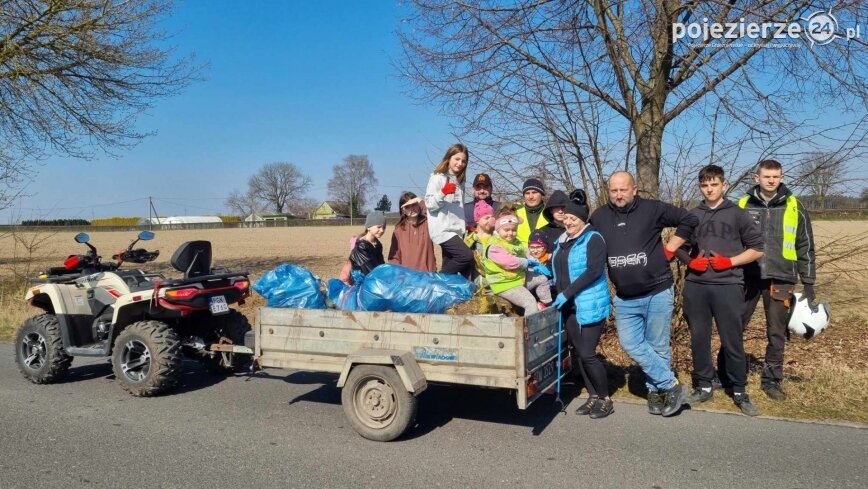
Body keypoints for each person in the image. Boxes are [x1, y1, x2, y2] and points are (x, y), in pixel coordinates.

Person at [589, 171, 698, 417]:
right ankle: (671, 385)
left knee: (658, 346)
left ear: (634, 189)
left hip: (657, 290)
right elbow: (585, 240)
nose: (618, 195)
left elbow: (689, 218)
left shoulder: (652, 209)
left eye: (623, 189)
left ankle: (655, 392)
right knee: (631, 343)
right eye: (614, 190)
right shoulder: (599, 216)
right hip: (625, 297)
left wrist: (670, 248)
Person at [679, 165, 764, 416]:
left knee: (732, 339)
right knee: (699, 338)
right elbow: (678, 246)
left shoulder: (738, 214)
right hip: (697, 286)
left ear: (724, 185)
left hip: (728, 285)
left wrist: (730, 262)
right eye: (705, 185)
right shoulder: (693, 215)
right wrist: (689, 262)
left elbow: (757, 249)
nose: (709, 189)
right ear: (700, 187)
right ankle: (704, 385)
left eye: (714, 184)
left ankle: (739, 390)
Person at [736, 159, 816, 401]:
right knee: (734, 327)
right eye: (766, 176)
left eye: (775, 176)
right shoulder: (742, 204)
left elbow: (806, 245)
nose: (771, 180)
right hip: (747, 277)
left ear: (781, 178)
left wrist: (808, 281)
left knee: (776, 332)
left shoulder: (794, 205)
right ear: (756, 178)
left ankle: (771, 380)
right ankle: (730, 374)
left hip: (781, 277)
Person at [550, 196, 612, 418]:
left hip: (589, 303)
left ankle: (605, 399)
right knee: (579, 353)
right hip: (569, 306)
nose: (568, 222)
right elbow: (559, 269)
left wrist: (567, 292)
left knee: (587, 353)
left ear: (583, 219)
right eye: (566, 217)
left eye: (573, 218)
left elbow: (594, 271)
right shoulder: (561, 241)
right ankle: (592, 396)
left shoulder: (593, 238)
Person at [425, 143, 475, 278]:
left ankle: (447, 288)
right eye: (457, 159)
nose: (460, 163)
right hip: (443, 230)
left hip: (457, 230)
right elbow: (429, 204)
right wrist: (443, 193)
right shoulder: (437, 177)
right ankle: (437, 279)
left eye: (463, 161)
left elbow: (458, 207)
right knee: (466, 256)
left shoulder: (460, 182)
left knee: (453, 266)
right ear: (448, 158)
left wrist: (465, 223)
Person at [482, 214, 549, 315]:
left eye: (514, 230)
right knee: (530, 302)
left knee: (542, 278)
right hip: (504, 284)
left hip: (518, 278)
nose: (510, 233)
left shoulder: (514, 241)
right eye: (506, 230)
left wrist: (534, 260)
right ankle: (530, 324)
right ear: (498, 230)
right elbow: (509, 262)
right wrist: (527, 262)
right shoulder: (494, 246)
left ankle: (546, 304)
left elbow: (523, 251)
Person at [388, 191, 436, 272]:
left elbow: (435, 215)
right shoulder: (399, 230)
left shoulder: (428, 223)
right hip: (408, 277)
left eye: (414, 205)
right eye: (407, 207)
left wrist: (420, 201)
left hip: (428, 275)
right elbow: (394, 257)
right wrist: (400, 274)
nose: (412, 209)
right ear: (403, 210)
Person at [463, 199, 496, 279]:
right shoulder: (470, 239)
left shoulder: (497, 237)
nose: (491, 221)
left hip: (495, 281)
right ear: (477, 220)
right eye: (487, 218)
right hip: (476, 281)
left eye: (492, 217)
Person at [348, 211, 386, 277]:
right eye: (379, 227)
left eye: (384, 227)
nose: (382, 230)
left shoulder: (378, 245)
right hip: (363, 280)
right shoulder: (361, 246)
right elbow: (368, 270)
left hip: (375, 278)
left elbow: (381, 265)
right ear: (368, 227)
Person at [516, 178, 549, 246]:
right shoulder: (516, 214)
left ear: (541, 195)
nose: (531, 197)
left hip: (546, 251)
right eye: (527, 193)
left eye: (534, 192)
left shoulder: (550, 213)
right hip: (521, 252)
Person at [525, 231, 553, 307]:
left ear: (545, 247)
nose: (535, 251)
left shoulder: (551, 258)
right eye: (532, 247)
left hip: (548, 294)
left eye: (539, 247)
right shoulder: (526, 258)